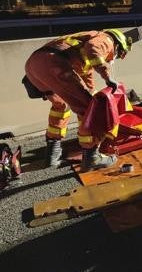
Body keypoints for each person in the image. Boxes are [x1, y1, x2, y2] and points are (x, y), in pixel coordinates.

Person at [24, 29, 132, 170]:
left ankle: (52, 153)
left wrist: (92, 96)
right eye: (118, 55)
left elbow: (87, 82)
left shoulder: (79, 48)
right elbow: (93, 48)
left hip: (34, 66)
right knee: (90, 111)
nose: (112, 58)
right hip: (55, 63)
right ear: (118, 45)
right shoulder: (106, 39)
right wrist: (107, 77)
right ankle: (92, 157)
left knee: (60, 106)